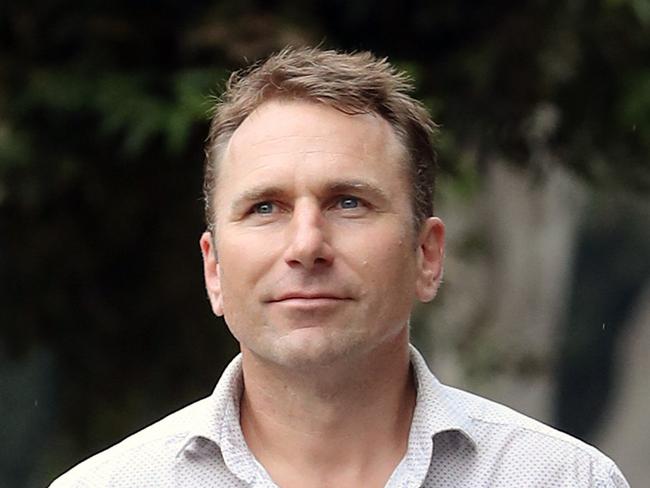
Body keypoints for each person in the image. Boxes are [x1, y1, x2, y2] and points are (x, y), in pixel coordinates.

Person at [51, 47, 629, 487]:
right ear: (214, 270)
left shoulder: (560, 478)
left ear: (426, 255)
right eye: (265, 207)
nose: (306, 244)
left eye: (348, 202)